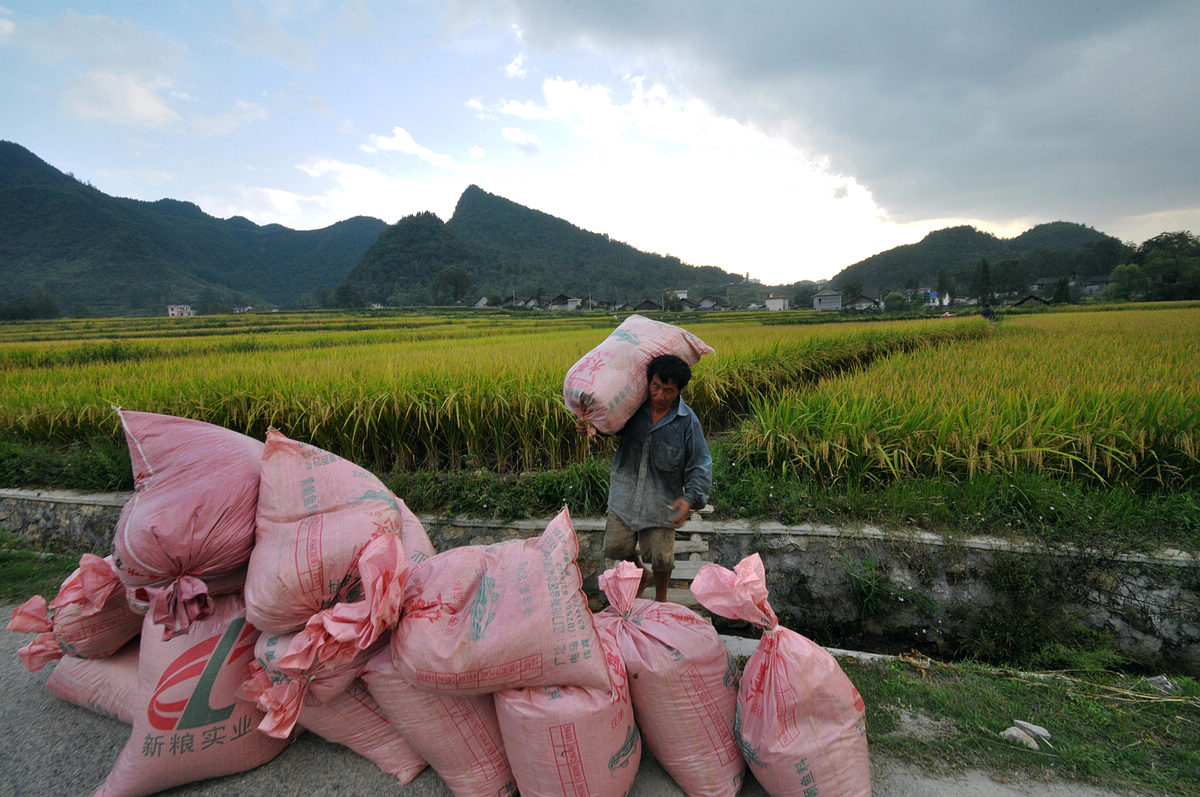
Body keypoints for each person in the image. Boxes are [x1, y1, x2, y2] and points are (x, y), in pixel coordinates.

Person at [582, 353, 712, 601]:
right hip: (625, 491)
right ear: (648, 382)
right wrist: (593, 428)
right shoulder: (630, 407)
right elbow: (608, 425)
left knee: (662, 558)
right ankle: (642, 574)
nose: (660, 396)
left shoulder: (687, 422)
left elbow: (700, 463)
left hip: (662, 498)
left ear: (680, 391)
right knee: (616, 546)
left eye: (669, 391)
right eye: (656, 387)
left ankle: (661, 600)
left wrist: (689, 499)